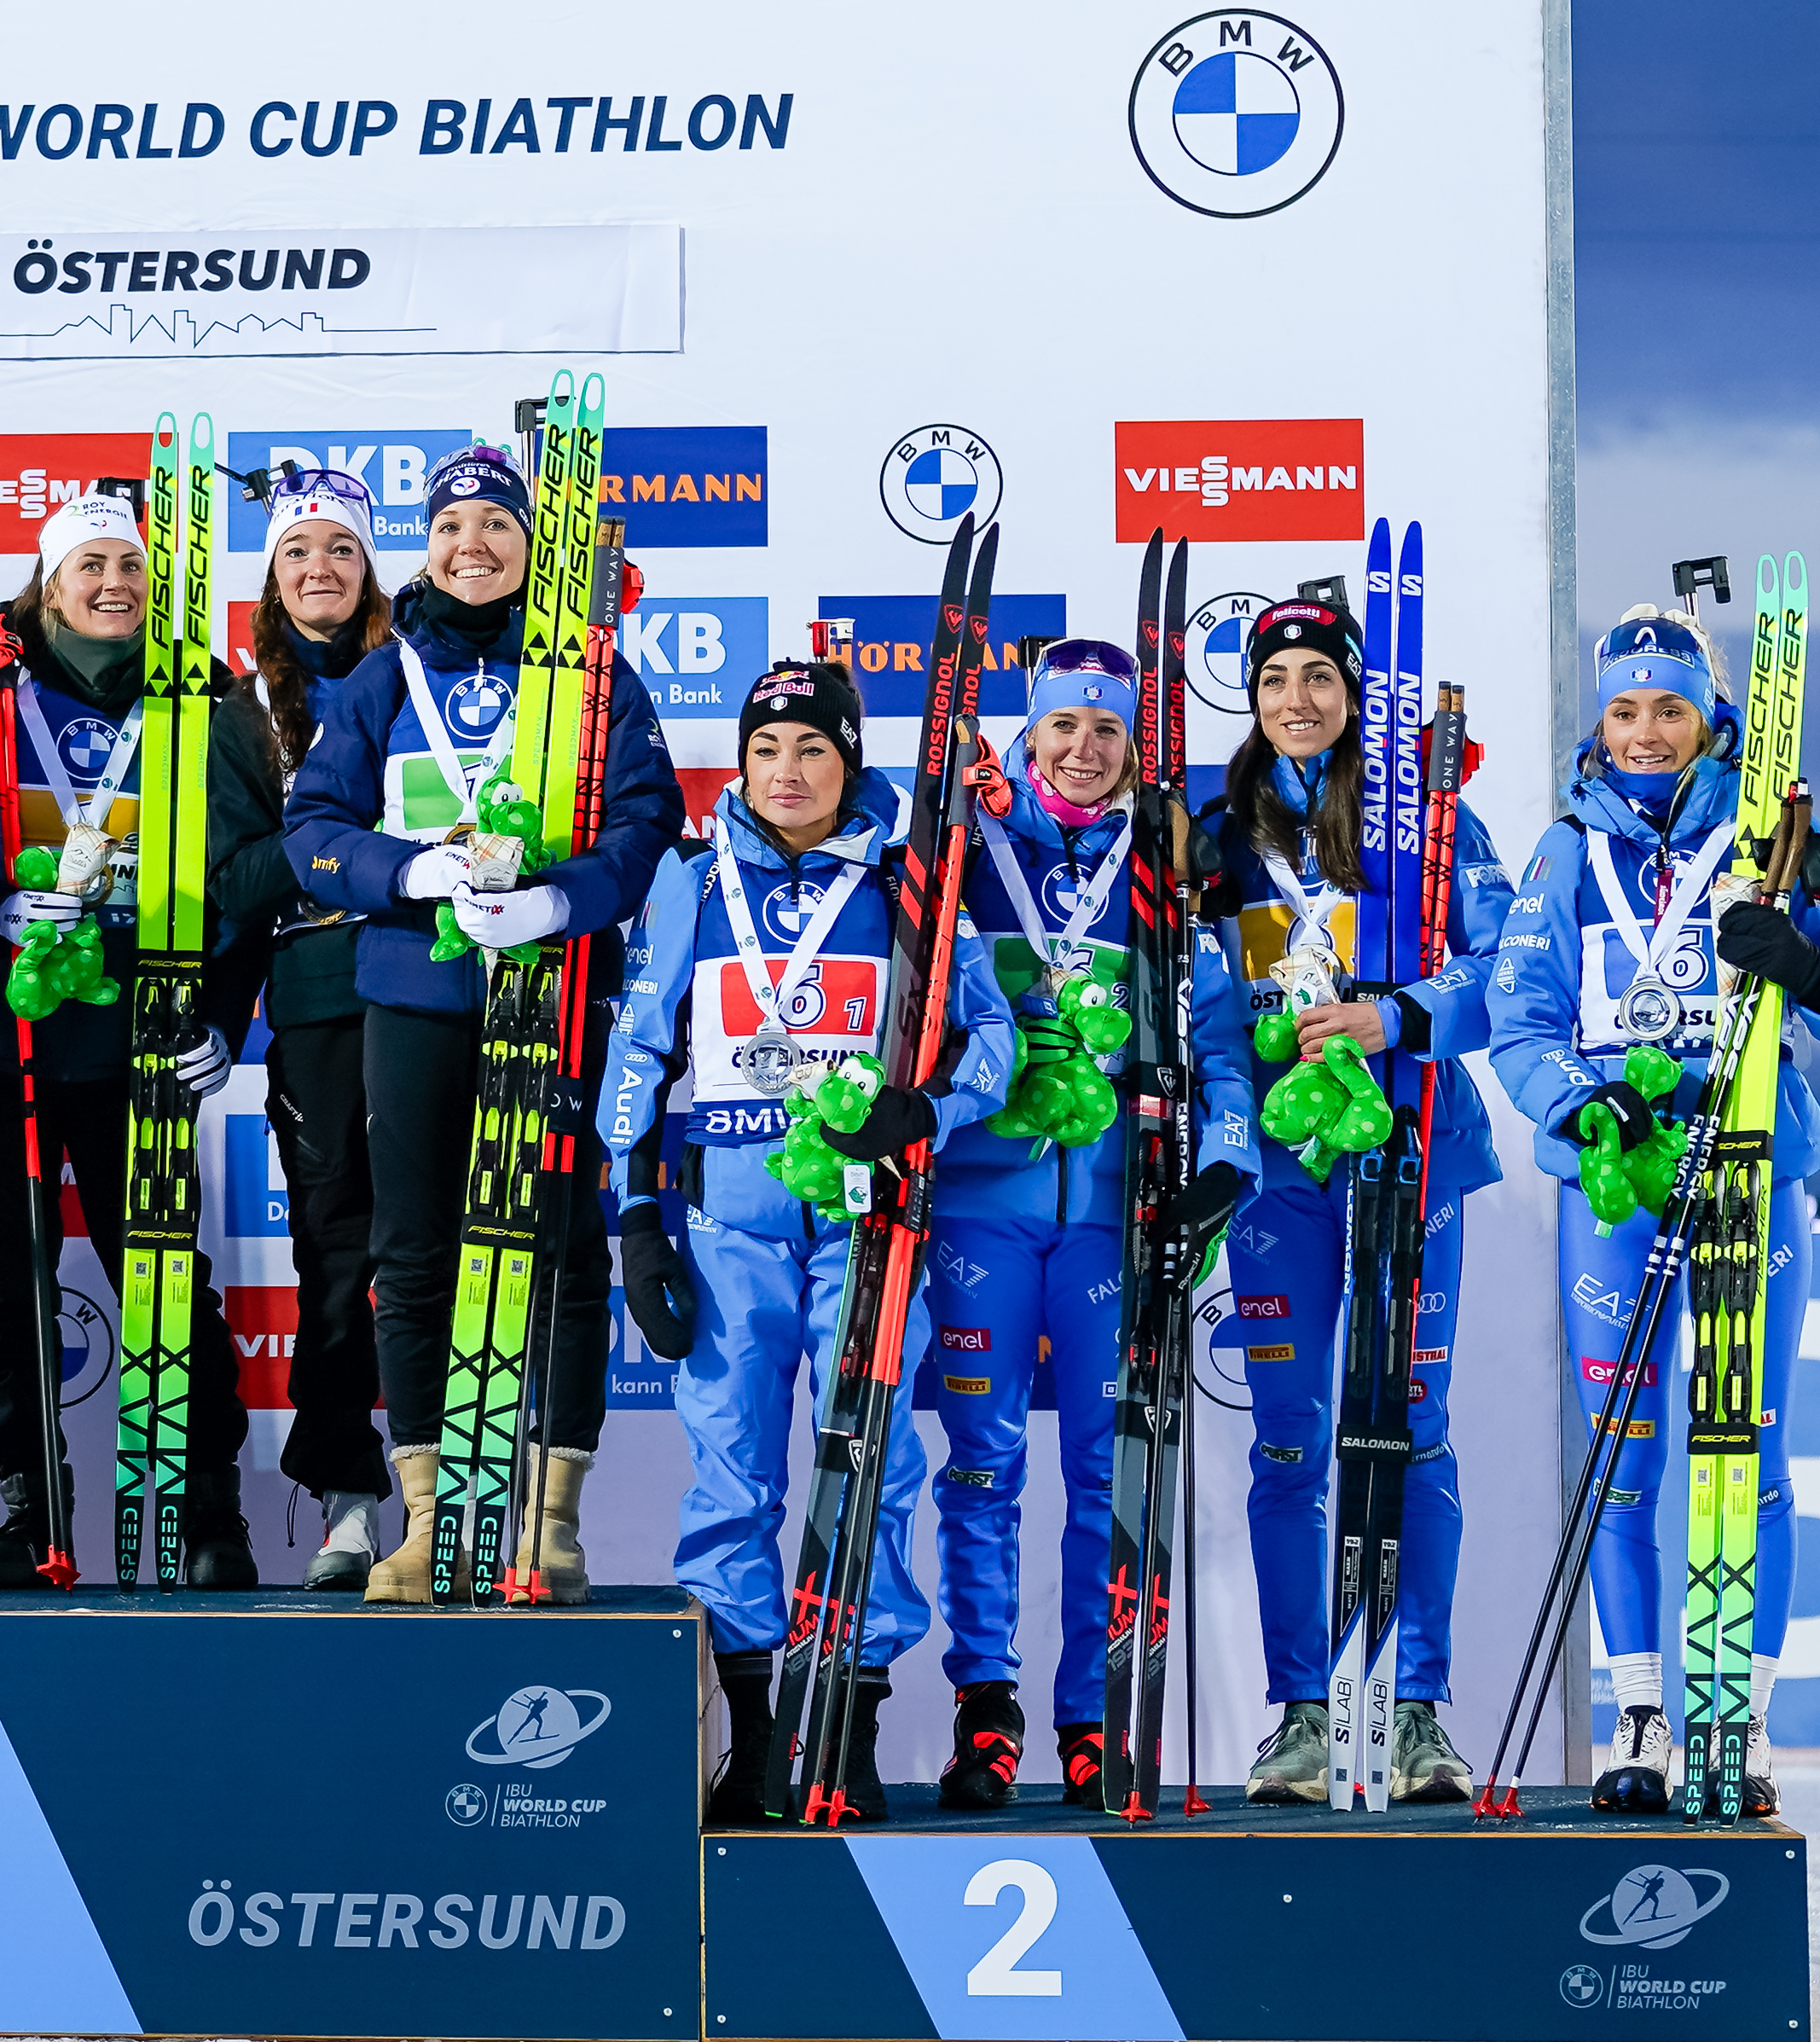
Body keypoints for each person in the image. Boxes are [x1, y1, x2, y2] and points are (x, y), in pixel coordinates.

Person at [1490, 601, 1820, 1818]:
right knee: (1620, 1460)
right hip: (1616, 1184)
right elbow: (1517, 1026)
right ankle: (1637, 1714)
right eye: (1624, 709)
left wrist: (1804, 963)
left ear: (1711, 716)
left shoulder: (1785, 841)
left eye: (1670, 707)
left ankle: (1740, 1717)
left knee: (1748, 1456)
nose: (1647, 730)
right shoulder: (1564, 851)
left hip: (1749, 1169)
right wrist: (1582, 1111)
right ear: (1599, 724)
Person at [600, 657, 1017, 1820]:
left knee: (868, 1464)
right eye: (765, 751)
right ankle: (751, 1741)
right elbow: (638, 1053)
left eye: (812, 751)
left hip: (865, 1218)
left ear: (849, 760)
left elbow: (989, 1037)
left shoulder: (913, 878)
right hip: (727, 1217)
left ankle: (842, 1731)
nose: (786, 773)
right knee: (730, 1471)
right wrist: (635, 1218)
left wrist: (923, 1109)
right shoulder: (692, 877)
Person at [284, 438, 683, 1602]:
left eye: (496, 527)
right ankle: (422, 1522)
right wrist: (410, 877)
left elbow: (647, 816)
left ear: (530, 545)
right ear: (428, 543)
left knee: (558, 1253)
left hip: (551, 994)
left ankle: (546, 1524)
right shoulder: (378, 676)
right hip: (412, 997)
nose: (473, 547)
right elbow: (314, 824)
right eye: (452, 528)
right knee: (410, 1256)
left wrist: (563, 898)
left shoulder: (594, 672)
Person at [923, 638, 1256, 1808]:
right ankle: (986, 1702)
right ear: (1031, 729)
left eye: (1105, 732)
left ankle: (1089, 1703)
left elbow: (1214, 1044)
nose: (1081, 749)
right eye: (1063, 726)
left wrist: (1218, 1170)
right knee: (981, 1467)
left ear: (1130, 748)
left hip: (1113, 1212)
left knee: (1106, 1468)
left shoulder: (1161, 866)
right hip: (981, 1203)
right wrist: (935, 815)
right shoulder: (969, 842)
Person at [1193, 593, 1512, 1804]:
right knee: (1288, 1442)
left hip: (1411, 1154)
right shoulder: (1219, 833)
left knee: (1407, 1423)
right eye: (1273, 679)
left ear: (1354, 690)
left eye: (1317, 676)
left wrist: (1396, 1014)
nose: (1294, 700)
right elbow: (1198, 998)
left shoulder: (1427, 818)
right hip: (1281, 1172)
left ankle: (1414, 1705)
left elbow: (1502, 974)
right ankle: (1302, 1710)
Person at [0, 491, 253, 1587]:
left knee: (163, 1267)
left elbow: (241, 876)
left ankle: (206, 1504)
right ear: (48, 584)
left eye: (129, 563)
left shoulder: (203, 703)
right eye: (88, 565)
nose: (112, 582)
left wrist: (218, 1010)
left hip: (139, 1033)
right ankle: (32, 1508)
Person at [203, 467, 392, 1586]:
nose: (318, 569)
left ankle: (444, 1479)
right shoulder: (244, 713)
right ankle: (346, 1493)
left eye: (338, 549)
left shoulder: (424, 680)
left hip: (430, 980)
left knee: (439, 1245)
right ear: (271, 579)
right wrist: (338, 833)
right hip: (318, 994)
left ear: (369, 565)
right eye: (294, 553)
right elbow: (233, 882)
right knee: (335, 1251)